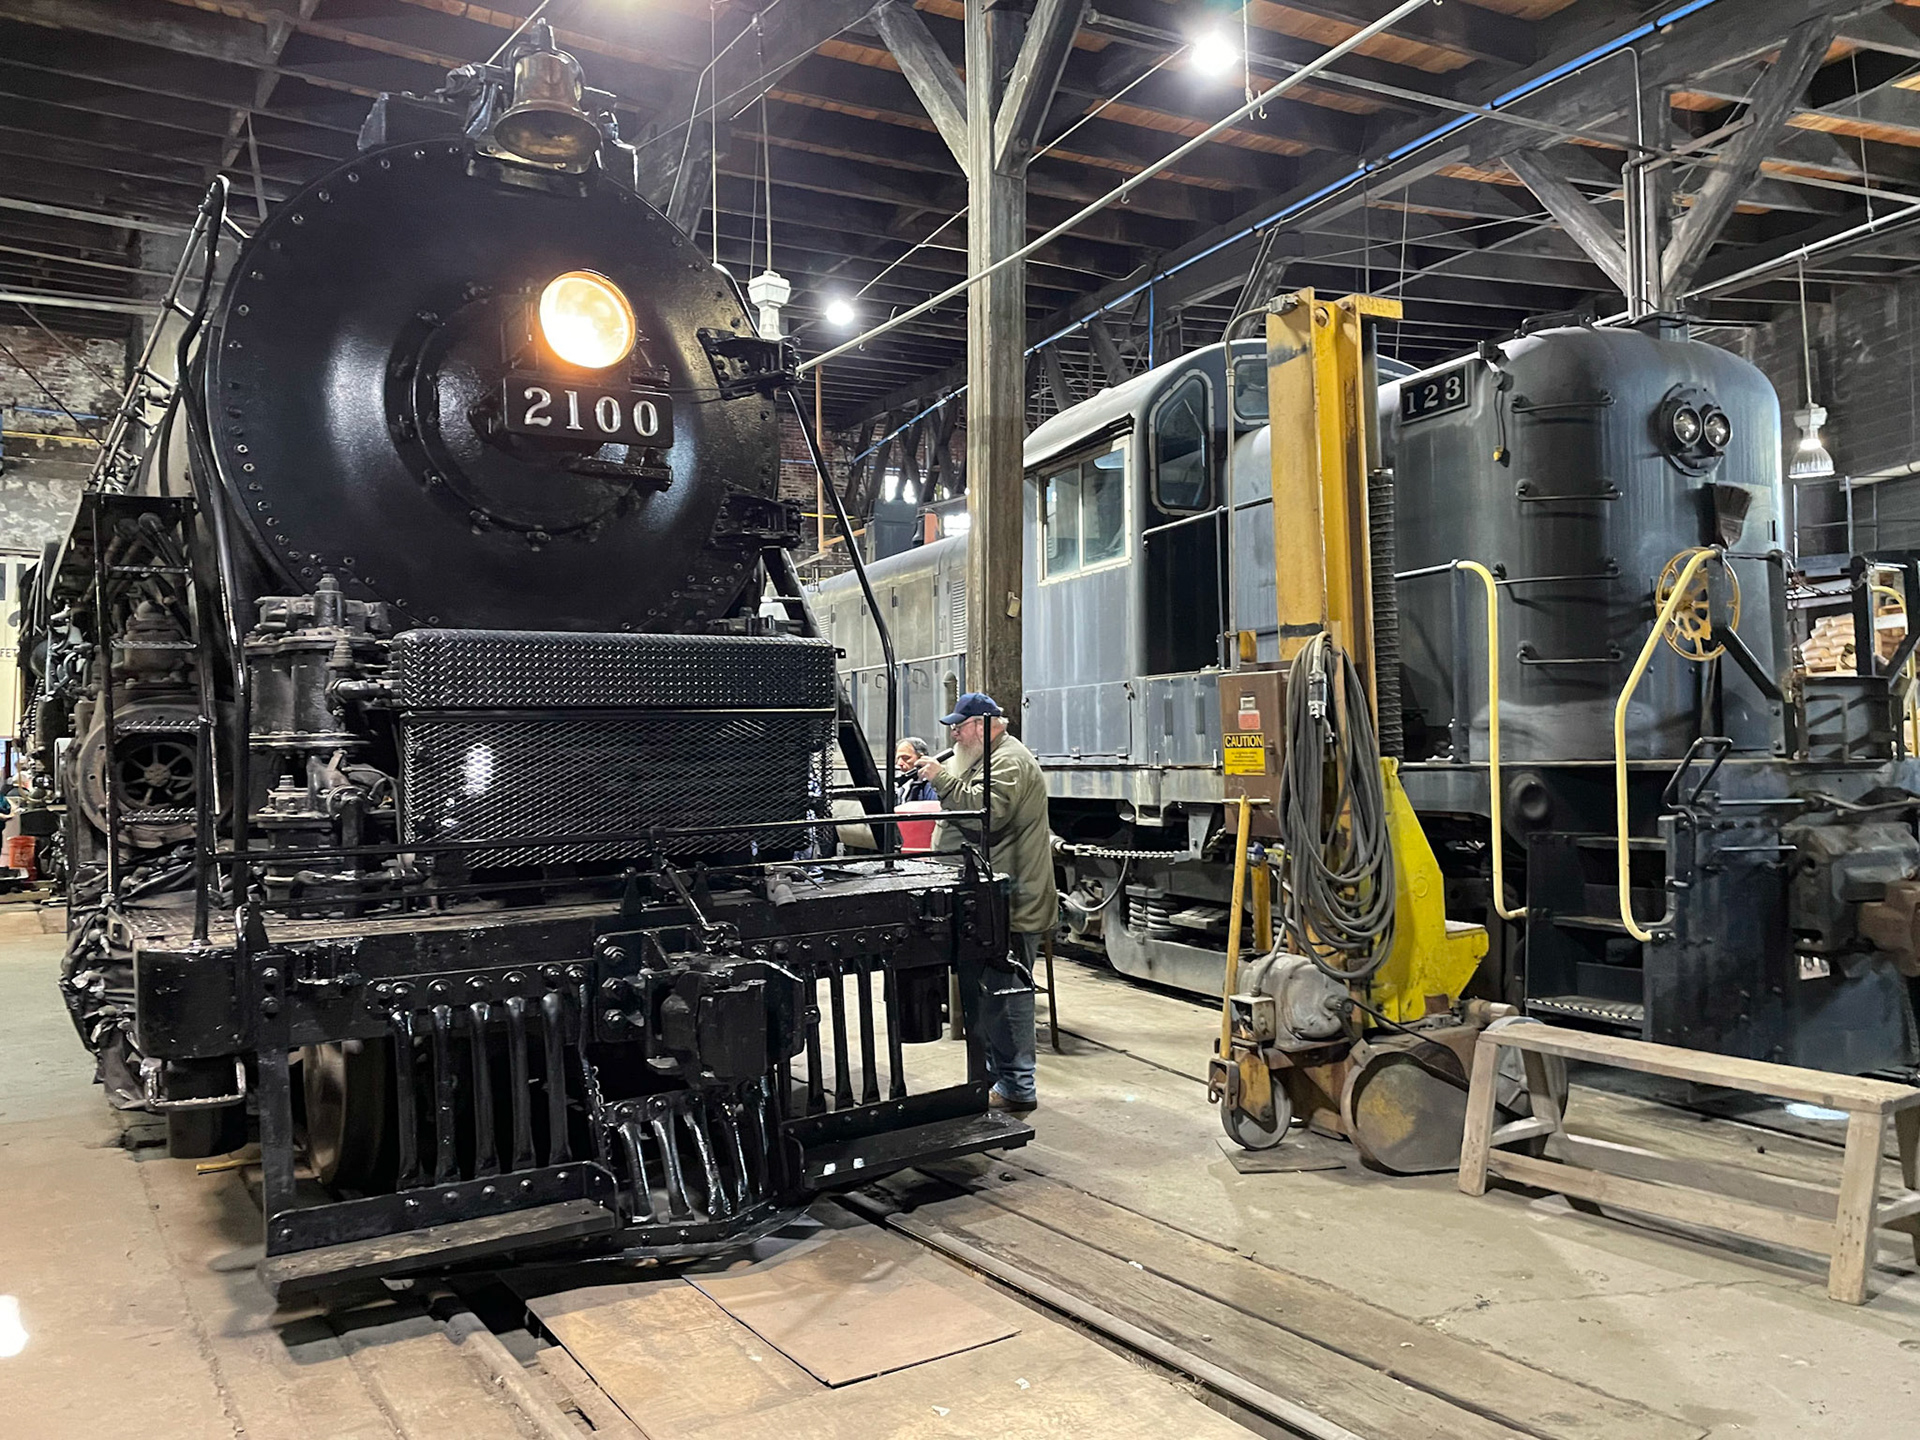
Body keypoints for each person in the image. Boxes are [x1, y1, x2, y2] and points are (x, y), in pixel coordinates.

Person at [916, 692, 1056, 1114]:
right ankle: (1001, 1078)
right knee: (991, 997)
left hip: (1012, 902)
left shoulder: (1009, 761)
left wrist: (940, 778)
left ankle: (1017, 1087)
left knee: (1006, 996)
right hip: (992, 901)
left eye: (960, 726)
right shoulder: (984, 757)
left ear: (984, 724)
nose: (954, 733)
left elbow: (987, 812)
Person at [895, 737, 937, 805]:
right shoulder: (900, 785)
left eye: (906, 758)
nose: (899, 763)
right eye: (898, 759)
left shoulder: (930, 786)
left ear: (921, 759)